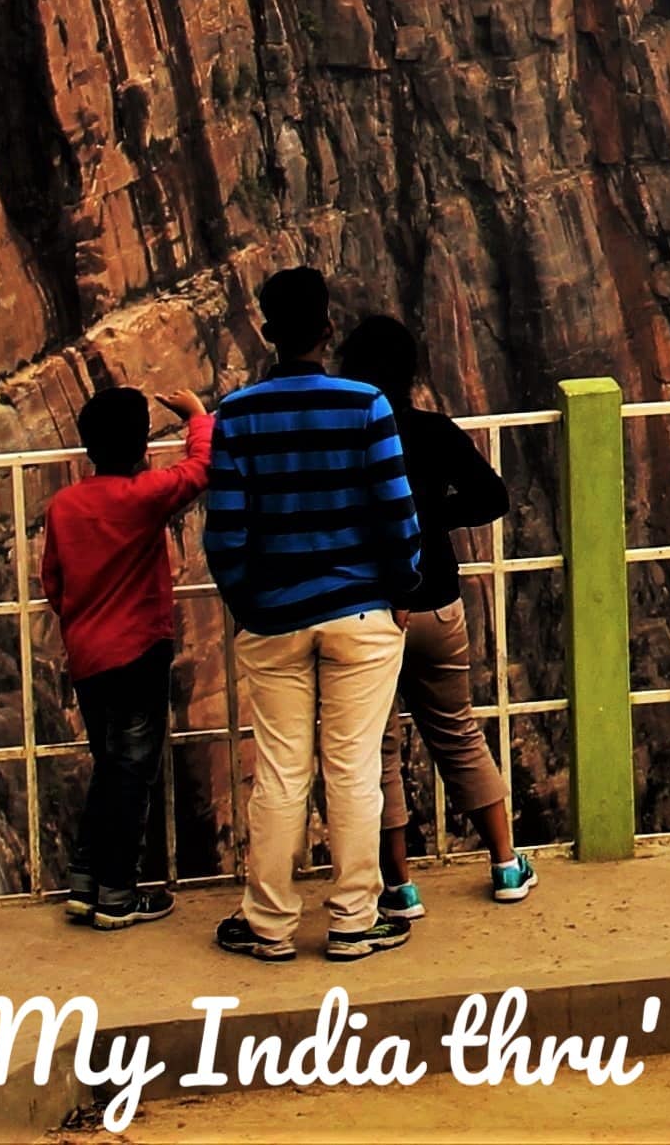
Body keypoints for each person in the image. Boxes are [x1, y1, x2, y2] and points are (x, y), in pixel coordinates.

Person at [200, 266, 432, 963]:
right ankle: (353, 921)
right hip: (361, 614)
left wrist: (250, 603)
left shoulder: (236, 415)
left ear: (267, 332)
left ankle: (268, 924)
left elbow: (224, 533)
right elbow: (397, 513)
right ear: (327, 329)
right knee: (355, 768)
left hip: (272, 615)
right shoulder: (366, 406)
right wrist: (399, 590)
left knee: (279, 772)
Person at [340, 311, 536, 918]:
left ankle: (398, 888)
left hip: (369, 612)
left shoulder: (349, 436)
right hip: (438, 603)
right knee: (458, 732)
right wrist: (433, 520)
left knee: (380, 748)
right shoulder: (434, 431)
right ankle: (505, 864)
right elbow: (492, 496)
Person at [41, 383, 210, 929]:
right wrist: (196, 417)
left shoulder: (63, 506)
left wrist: (80, 619)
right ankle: (116, 892)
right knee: (132, 770)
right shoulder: (141, 499)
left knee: (109, 766)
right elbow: (200, 469)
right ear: (140, 443)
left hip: (88, 656)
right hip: (138, 650)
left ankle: (85, 879)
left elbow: (53, 581)